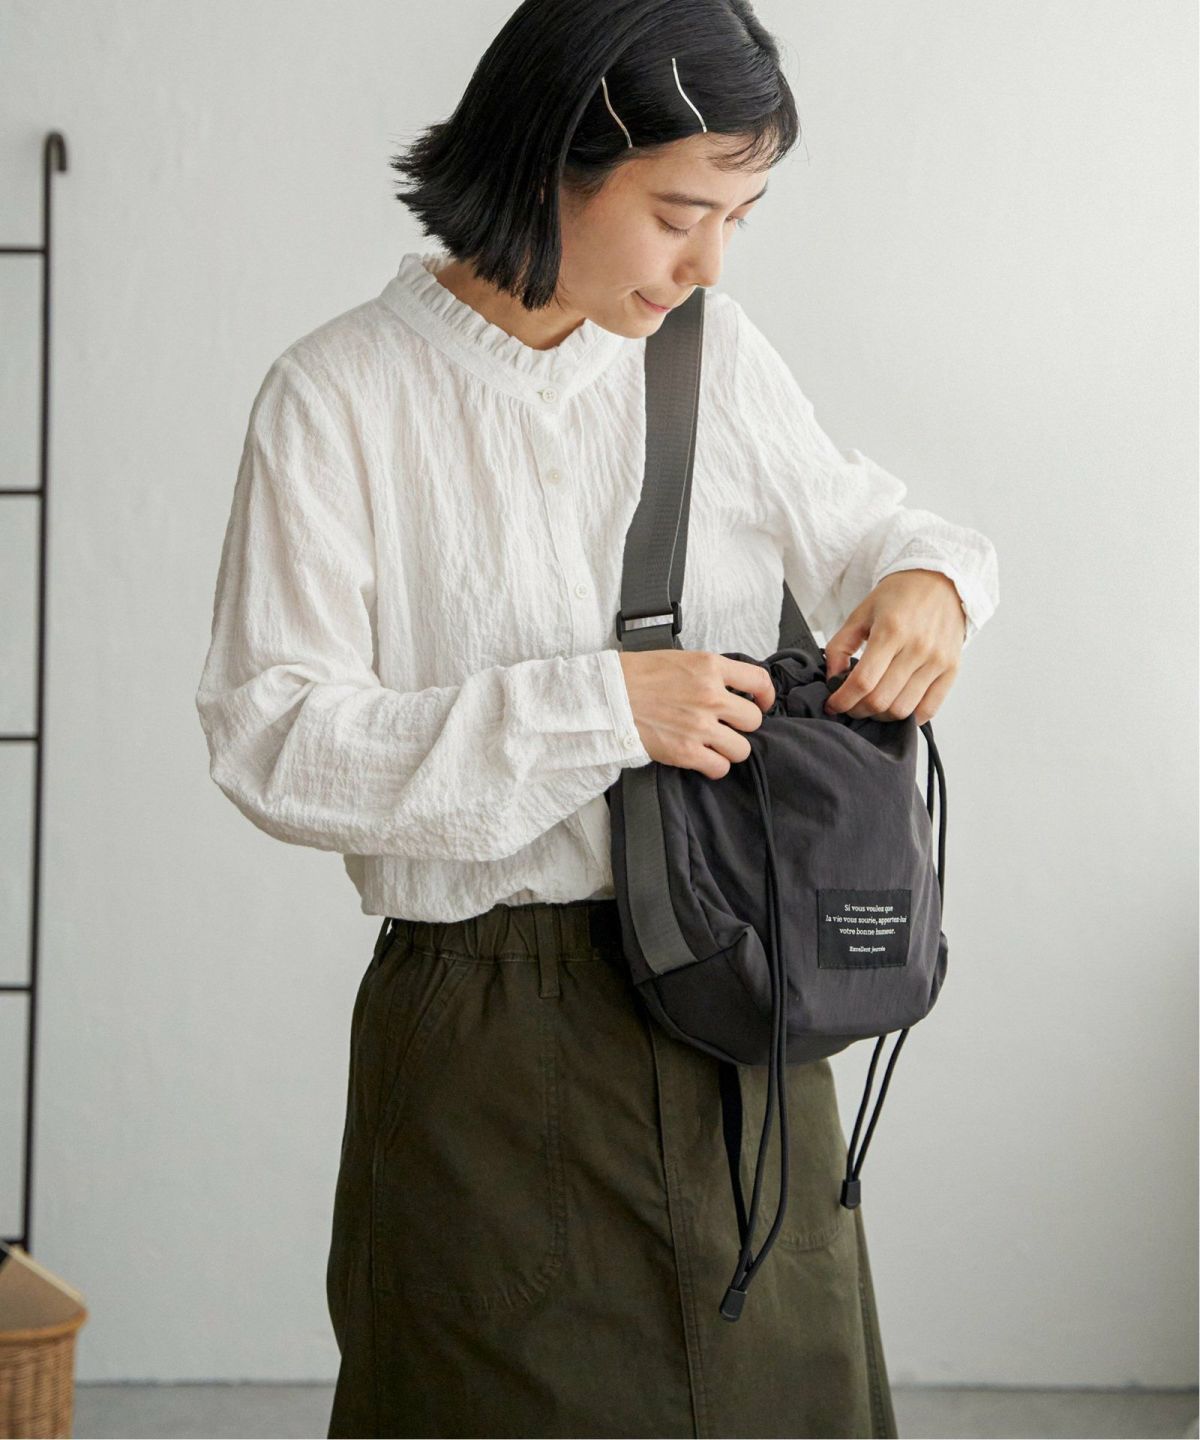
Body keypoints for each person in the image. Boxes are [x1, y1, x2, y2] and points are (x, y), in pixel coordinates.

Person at [195, 1, 999, 1435]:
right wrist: (599, 709)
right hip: (487, 1038)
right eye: (680, 213)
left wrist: (931, 583)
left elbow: (877, 530)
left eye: (739, 219)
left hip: (743, 995)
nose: (708, 263)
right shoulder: (338, 396)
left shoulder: (711, 356)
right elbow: (275, 739)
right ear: (546, 159)